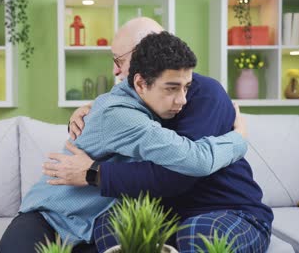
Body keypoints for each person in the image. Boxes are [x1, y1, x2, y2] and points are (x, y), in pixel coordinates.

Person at [0, 30, 248, 253]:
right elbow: (196, 160)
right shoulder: (122, 114)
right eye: (172, 88)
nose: (182, 99)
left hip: (92, 225)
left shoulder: (162, 99)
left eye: (185, 87)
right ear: (141, 80)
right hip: (51, 217)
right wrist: (238, 139)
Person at [48, 18, 273, 252]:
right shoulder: (138, 98)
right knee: (111, 224)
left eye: (119, 59)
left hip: (227, 210)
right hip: (169, 217)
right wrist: (88, 109)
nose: (115, 69)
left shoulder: (207, 94)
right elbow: (114, 109)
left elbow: (178, 174)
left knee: (196, 233)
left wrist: (93, 172)